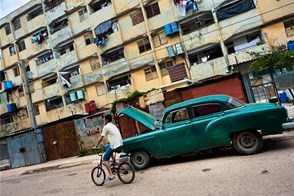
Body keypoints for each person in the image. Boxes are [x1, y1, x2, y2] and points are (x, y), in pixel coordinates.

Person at [93, 114, 123, 180]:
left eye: (104, 120)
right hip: (120, 144)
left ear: (106, 120)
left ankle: (111, 174)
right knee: (107, 146)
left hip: (114, 146)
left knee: (104, 160)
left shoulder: (106, 127)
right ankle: (113, 161)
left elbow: (101, 138)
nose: (104, 121)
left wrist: (96, 146)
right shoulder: (113, 126)